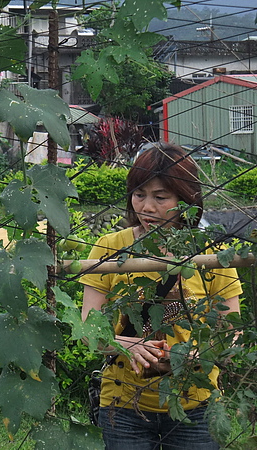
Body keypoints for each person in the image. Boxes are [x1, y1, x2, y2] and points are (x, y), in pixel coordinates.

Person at [80, 143, 242, 449]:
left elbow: (231, 329)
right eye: (139, 194)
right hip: (123, 404)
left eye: (160, 197)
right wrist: (123, 344)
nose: (147, 207)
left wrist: (196, 356)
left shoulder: (211, 252)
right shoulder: (110, 247)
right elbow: (89, 327)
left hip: (196, 402)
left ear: (186, 199)